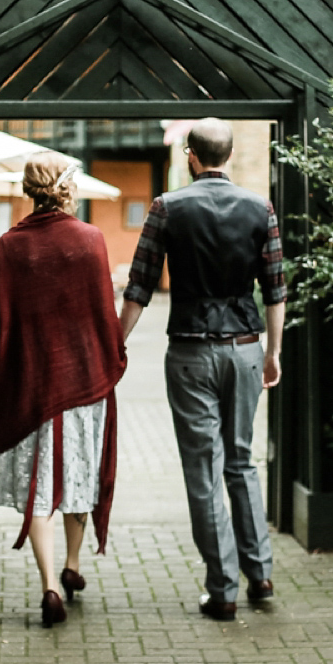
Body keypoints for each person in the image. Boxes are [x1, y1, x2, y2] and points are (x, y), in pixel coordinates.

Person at [119, 118, 286, 622]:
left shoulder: (168, 207)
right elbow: (275, 289)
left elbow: (140, 285)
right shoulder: (261, 207)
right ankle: (260, 575)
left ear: (190, 155)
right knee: (241, 461)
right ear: (229, 156)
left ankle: (223, 590)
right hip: (245, 348)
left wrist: (115, 344)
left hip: (191, 350)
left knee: (204, 473)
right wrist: (273, 353)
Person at [0, 151, 128, 628]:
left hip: (31, 389)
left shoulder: (9, 246)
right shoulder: (91, 241)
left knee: (38, 491)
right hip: (84, 386)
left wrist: (4, 374)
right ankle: (73, 566)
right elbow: (104, 315)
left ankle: (48, 587)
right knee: (79, 483)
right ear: (67, 189)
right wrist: (111, 361)